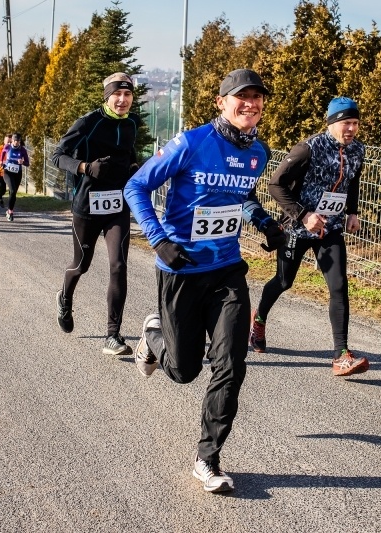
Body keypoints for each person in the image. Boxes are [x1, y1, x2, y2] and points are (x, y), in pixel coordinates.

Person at [124, 69, 287, 493]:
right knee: (182, 371)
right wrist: (158, 241)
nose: (250, 104)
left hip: (227, 270)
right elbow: (136, 186)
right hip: (180, 269)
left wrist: (265, 222)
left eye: (257, 98)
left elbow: (242, 195)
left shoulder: (259, 153)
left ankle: (207, 459)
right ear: (222, 102)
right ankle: (152, 336)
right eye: (241, 97)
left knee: (232, 364)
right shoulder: (192, 143)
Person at [249, 96, 369, 378]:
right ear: (332, 123)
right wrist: (304, 215)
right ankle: (259, 320)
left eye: (355, 123)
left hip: (331, 228)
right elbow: (275, 185)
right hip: (298, 227)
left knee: (339, 287)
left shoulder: (357, 150)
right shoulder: (308, 148)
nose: (351, 129)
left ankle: (341, 354)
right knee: (283, 281)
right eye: (345, 123)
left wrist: (352, 212)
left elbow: (353, 181)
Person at [51, 72, 143, 357]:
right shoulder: (88, 122)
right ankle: (65, 298)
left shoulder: (131, 124)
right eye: (118, 94)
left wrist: (134, 168)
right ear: (108, 96)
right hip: (87, 205)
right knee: (81, 265)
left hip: (117, 204)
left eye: (128, 95)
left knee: (119, 265)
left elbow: (129, 155)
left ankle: (112, 335)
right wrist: (85, 168)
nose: (123, 100)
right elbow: (57, 155)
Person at [0, 133, 30, 221]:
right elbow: (2, 155)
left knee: (13, 193)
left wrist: (22, 162)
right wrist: (1, 162)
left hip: (17, 173)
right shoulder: (7, 147)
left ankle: (9, 210)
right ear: (12, 140)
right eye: (15, 141)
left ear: (20, 141)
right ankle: (10, 212)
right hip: (7, 172)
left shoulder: (22, 150)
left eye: (18, 141)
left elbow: (27, 163)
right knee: (12, 190)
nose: (16, 143)